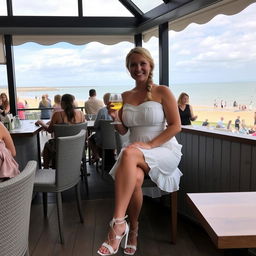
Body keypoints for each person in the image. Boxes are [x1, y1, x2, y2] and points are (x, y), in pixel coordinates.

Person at [97, 47, 182, 256]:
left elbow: (175, 126)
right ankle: (132, 230)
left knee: (127, 153)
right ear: (128, 69)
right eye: (133, 65)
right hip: (135, 151)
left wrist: (151, 145)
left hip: (162, 149)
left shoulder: (163, 91)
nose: (138, 68)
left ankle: (117, 225)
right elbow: (125, 131)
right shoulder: (125, 96)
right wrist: (115, 116)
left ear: (150, 65)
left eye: (142, 63)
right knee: (134, 177)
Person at [36, 94, 85, 168]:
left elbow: (49, 130)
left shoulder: (57, 114)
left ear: (62, 103)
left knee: (47, 145)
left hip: (60, 148)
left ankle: (46, 168)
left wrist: (41, 123)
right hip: (77, 146)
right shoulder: (81, 114)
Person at [88, 93, 112, 163]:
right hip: (116, 140)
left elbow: (95, 126)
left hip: (103, 139)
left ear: (104, 101)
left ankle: (96, 156)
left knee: (90, 139)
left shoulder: (102, 111)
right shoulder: (118, 110)